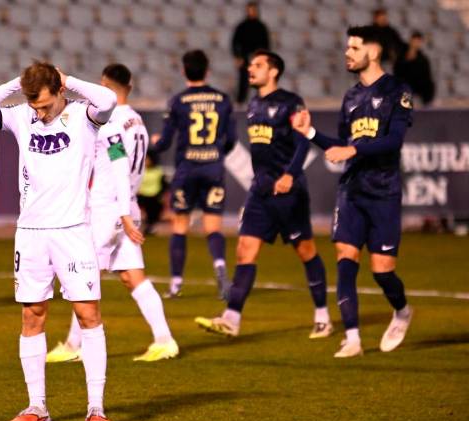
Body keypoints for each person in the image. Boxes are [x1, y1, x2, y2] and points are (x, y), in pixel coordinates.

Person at [0, 62, 117, 421]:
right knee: (32, 316)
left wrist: (71, 81)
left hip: (73, 231)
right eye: (34, 104)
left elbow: (109, 98)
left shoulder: (85, 115)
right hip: (31, 232)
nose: (39, 111)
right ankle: (38, 407)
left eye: (45, 103)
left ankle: (95, 407)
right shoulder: (22, 117)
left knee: (88, 315)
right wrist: (14, 85)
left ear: (61, 91)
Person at [291, 26, 414, 358]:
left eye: (354, 47)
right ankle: (353, 338)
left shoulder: (396, 91)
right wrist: (311, 132)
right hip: (351, 191)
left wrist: (354, 151)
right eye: (347, 46)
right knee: (346, 260)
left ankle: (402, 311)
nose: (347, 52)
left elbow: (394, 141)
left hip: (384, 191)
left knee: (382, 272)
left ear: (372, 52)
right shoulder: (351, 97)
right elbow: (342, 145)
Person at [194, 50, 332, 339]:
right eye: (250, 64)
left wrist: (290, 175)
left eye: (258, 65)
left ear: (274, 71)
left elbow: (304, 142)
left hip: (289, 191)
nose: (250, 69)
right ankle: (231, 319)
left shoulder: (290, 103)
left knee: (306, 251)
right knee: (245, 250)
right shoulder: (254, 104)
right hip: (261, 190)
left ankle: (322, 316)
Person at [46, 64, 178, 365]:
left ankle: (73, 345)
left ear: (104, 84)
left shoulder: (111, 121)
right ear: (129, 87)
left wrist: (119, 212)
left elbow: (117, 163)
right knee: (134, 278)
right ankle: (164, 339)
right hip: (127, 204)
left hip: (110, 207)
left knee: (83, 274)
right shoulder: (136, 120)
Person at [153, 49, 237, 301]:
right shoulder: (222, 99)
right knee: (213, 226)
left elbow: (165, 142)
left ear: (183, 71)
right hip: (213, 168)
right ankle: (221, 268)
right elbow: (231, 139)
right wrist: (215, 153)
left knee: (180, 225)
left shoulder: (178, 101)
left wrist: (154, 143)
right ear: (207, 71)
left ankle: (176, 284)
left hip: (187, 169)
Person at [231, 2, 270, 104]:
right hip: (244, 57)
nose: (251, 12)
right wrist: (237, 56)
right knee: (243, 81)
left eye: (253, 10)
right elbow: (235, 42)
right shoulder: (242, 26)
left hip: (258, 57)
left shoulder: (261, 27)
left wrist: (263, 57)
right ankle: (240, 101)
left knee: (260, 80)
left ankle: (262, 101)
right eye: (249, 10)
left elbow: (266, 44)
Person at [394, 31, 435, 106]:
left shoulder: (423, 60)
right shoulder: (401, 57)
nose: (415, 44)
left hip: (418, 92)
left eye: (418, 42)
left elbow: (426, 79)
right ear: (411, 41)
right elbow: (397, 73)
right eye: (414, 41)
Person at [137, 149, 167, 236]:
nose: (146, 161)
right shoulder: (140, 171)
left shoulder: (158, 171)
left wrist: (161, 195)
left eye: (148, 159)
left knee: (153, 211)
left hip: (154, 196)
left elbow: (164, 185)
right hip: (141, 196)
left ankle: (150, 227)